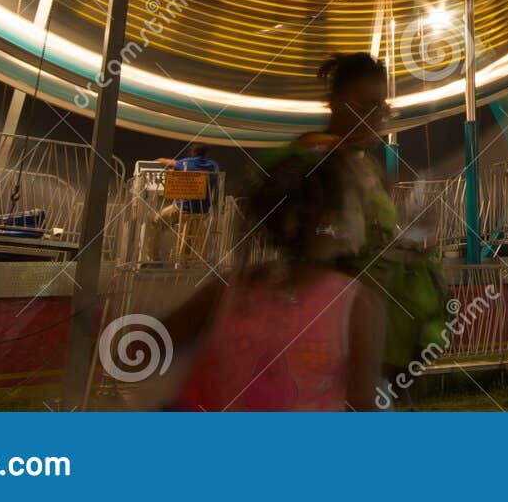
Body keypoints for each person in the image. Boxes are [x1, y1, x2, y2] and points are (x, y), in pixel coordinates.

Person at [286, 53, 448, 403]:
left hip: (379, 335)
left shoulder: (368, 167)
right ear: (334, 104)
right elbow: (310, 240)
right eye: (363, 107)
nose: (374, 118)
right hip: (331, 334)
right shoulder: (312, 159)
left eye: (380, 107)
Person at [172, 146, 384, 410]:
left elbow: (151, 341)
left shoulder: (228, 289)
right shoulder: (355, 305)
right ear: (331, 219)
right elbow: (363, 403)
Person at [153, 142, 221, 262]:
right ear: (206, 154)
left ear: (192, 152)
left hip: (182, 208)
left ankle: (154, 257)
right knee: (190, 226)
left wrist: (163, 163)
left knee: (156, 220)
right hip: (202, 210)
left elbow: (162, 161)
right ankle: (185, 261)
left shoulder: (185, 163)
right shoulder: (213, 165)